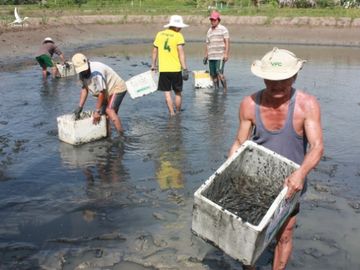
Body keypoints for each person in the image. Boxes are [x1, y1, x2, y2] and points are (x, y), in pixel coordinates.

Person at [228, 48, 324, 270]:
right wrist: (230, 167)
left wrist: (300, 174)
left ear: (295, 76)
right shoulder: (249, 104)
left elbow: (317, 147)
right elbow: (240, 142)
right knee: (250, 232)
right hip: (255, 179)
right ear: (263, 77)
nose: (277, 85)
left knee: (285, 233)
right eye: (271, 80)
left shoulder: (306, 104)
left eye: (284, 79)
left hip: (292, 182)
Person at [71, 53, 127, 134]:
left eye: (85, 69)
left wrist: (97, 111)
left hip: (117, 87)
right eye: (82, 70)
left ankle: (122, 137)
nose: (84, 71)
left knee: (109, 110)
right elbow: (85, 89)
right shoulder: (81, 74)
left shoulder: (97, 72)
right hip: (106, 90)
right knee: (104, 115)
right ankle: (108, 135)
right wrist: (80, 107)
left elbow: (101, 93)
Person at [151, 15, 189, 116]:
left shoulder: (160, 34)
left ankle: (172, 113)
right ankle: (178, 112)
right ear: (176, 27)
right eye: (180, 27)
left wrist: (153, 65)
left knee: (167, 93)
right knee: (178, 92)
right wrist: (185, 68)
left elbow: (155, 51)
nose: (180, 29)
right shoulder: (178, 36)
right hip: (175, 69)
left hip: (163, 69)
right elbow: (181, 53)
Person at [204, 11, 230, 92]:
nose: (212, 21)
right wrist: (206, 56)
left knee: (219, 73)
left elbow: (227, 42)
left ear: (218, 20)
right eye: (211, 20)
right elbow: (208, 44)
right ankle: (216, 90)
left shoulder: (223, 29)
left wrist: (226, 54)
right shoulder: (209, 31)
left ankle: (225, 90)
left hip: (220, 56)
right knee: (213, 75)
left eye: (214, 20)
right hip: (211, 57)